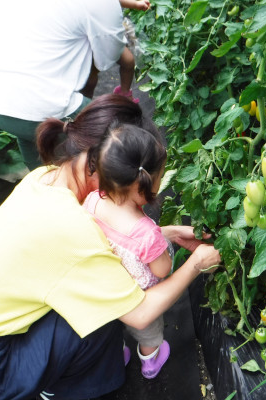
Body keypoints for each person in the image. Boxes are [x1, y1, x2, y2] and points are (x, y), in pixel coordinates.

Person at [0, 94, 221, 400]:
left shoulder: (47, 177)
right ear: (103, 161)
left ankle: (79, 370)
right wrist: (196, 263)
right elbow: (141, 313)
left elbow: (110, 238)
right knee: (107, 310)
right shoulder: (72, 226)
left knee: (105, 290)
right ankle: (56, 389)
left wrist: (165, 233)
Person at [0, 0, 146, 170]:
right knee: (120, 137)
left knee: (33, 138)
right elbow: (107, 58)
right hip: (32, 103)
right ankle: (103, 195)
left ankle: (42, 186)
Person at [82, 121, 172, 379]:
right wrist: (166, 246)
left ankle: (118, 355)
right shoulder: (146, 233)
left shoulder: (91, 200)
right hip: (139, 298)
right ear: (144, 184)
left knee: (112, 330)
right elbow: (162, 269)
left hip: (106, 289)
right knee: (149, 333)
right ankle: (150, 362)